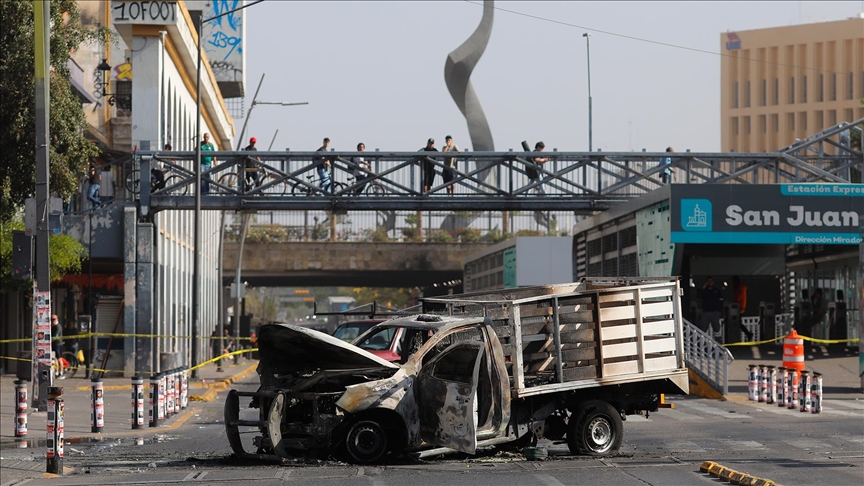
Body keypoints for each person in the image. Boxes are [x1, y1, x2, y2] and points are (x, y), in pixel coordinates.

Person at [732, 276, 754, 341]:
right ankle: (747, 334)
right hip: (742, 307)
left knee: (737, 323)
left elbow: (738, 299)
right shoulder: (742, 288)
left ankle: (748, 333)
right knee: (738, 323)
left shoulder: (740, 289)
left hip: (739, 308)